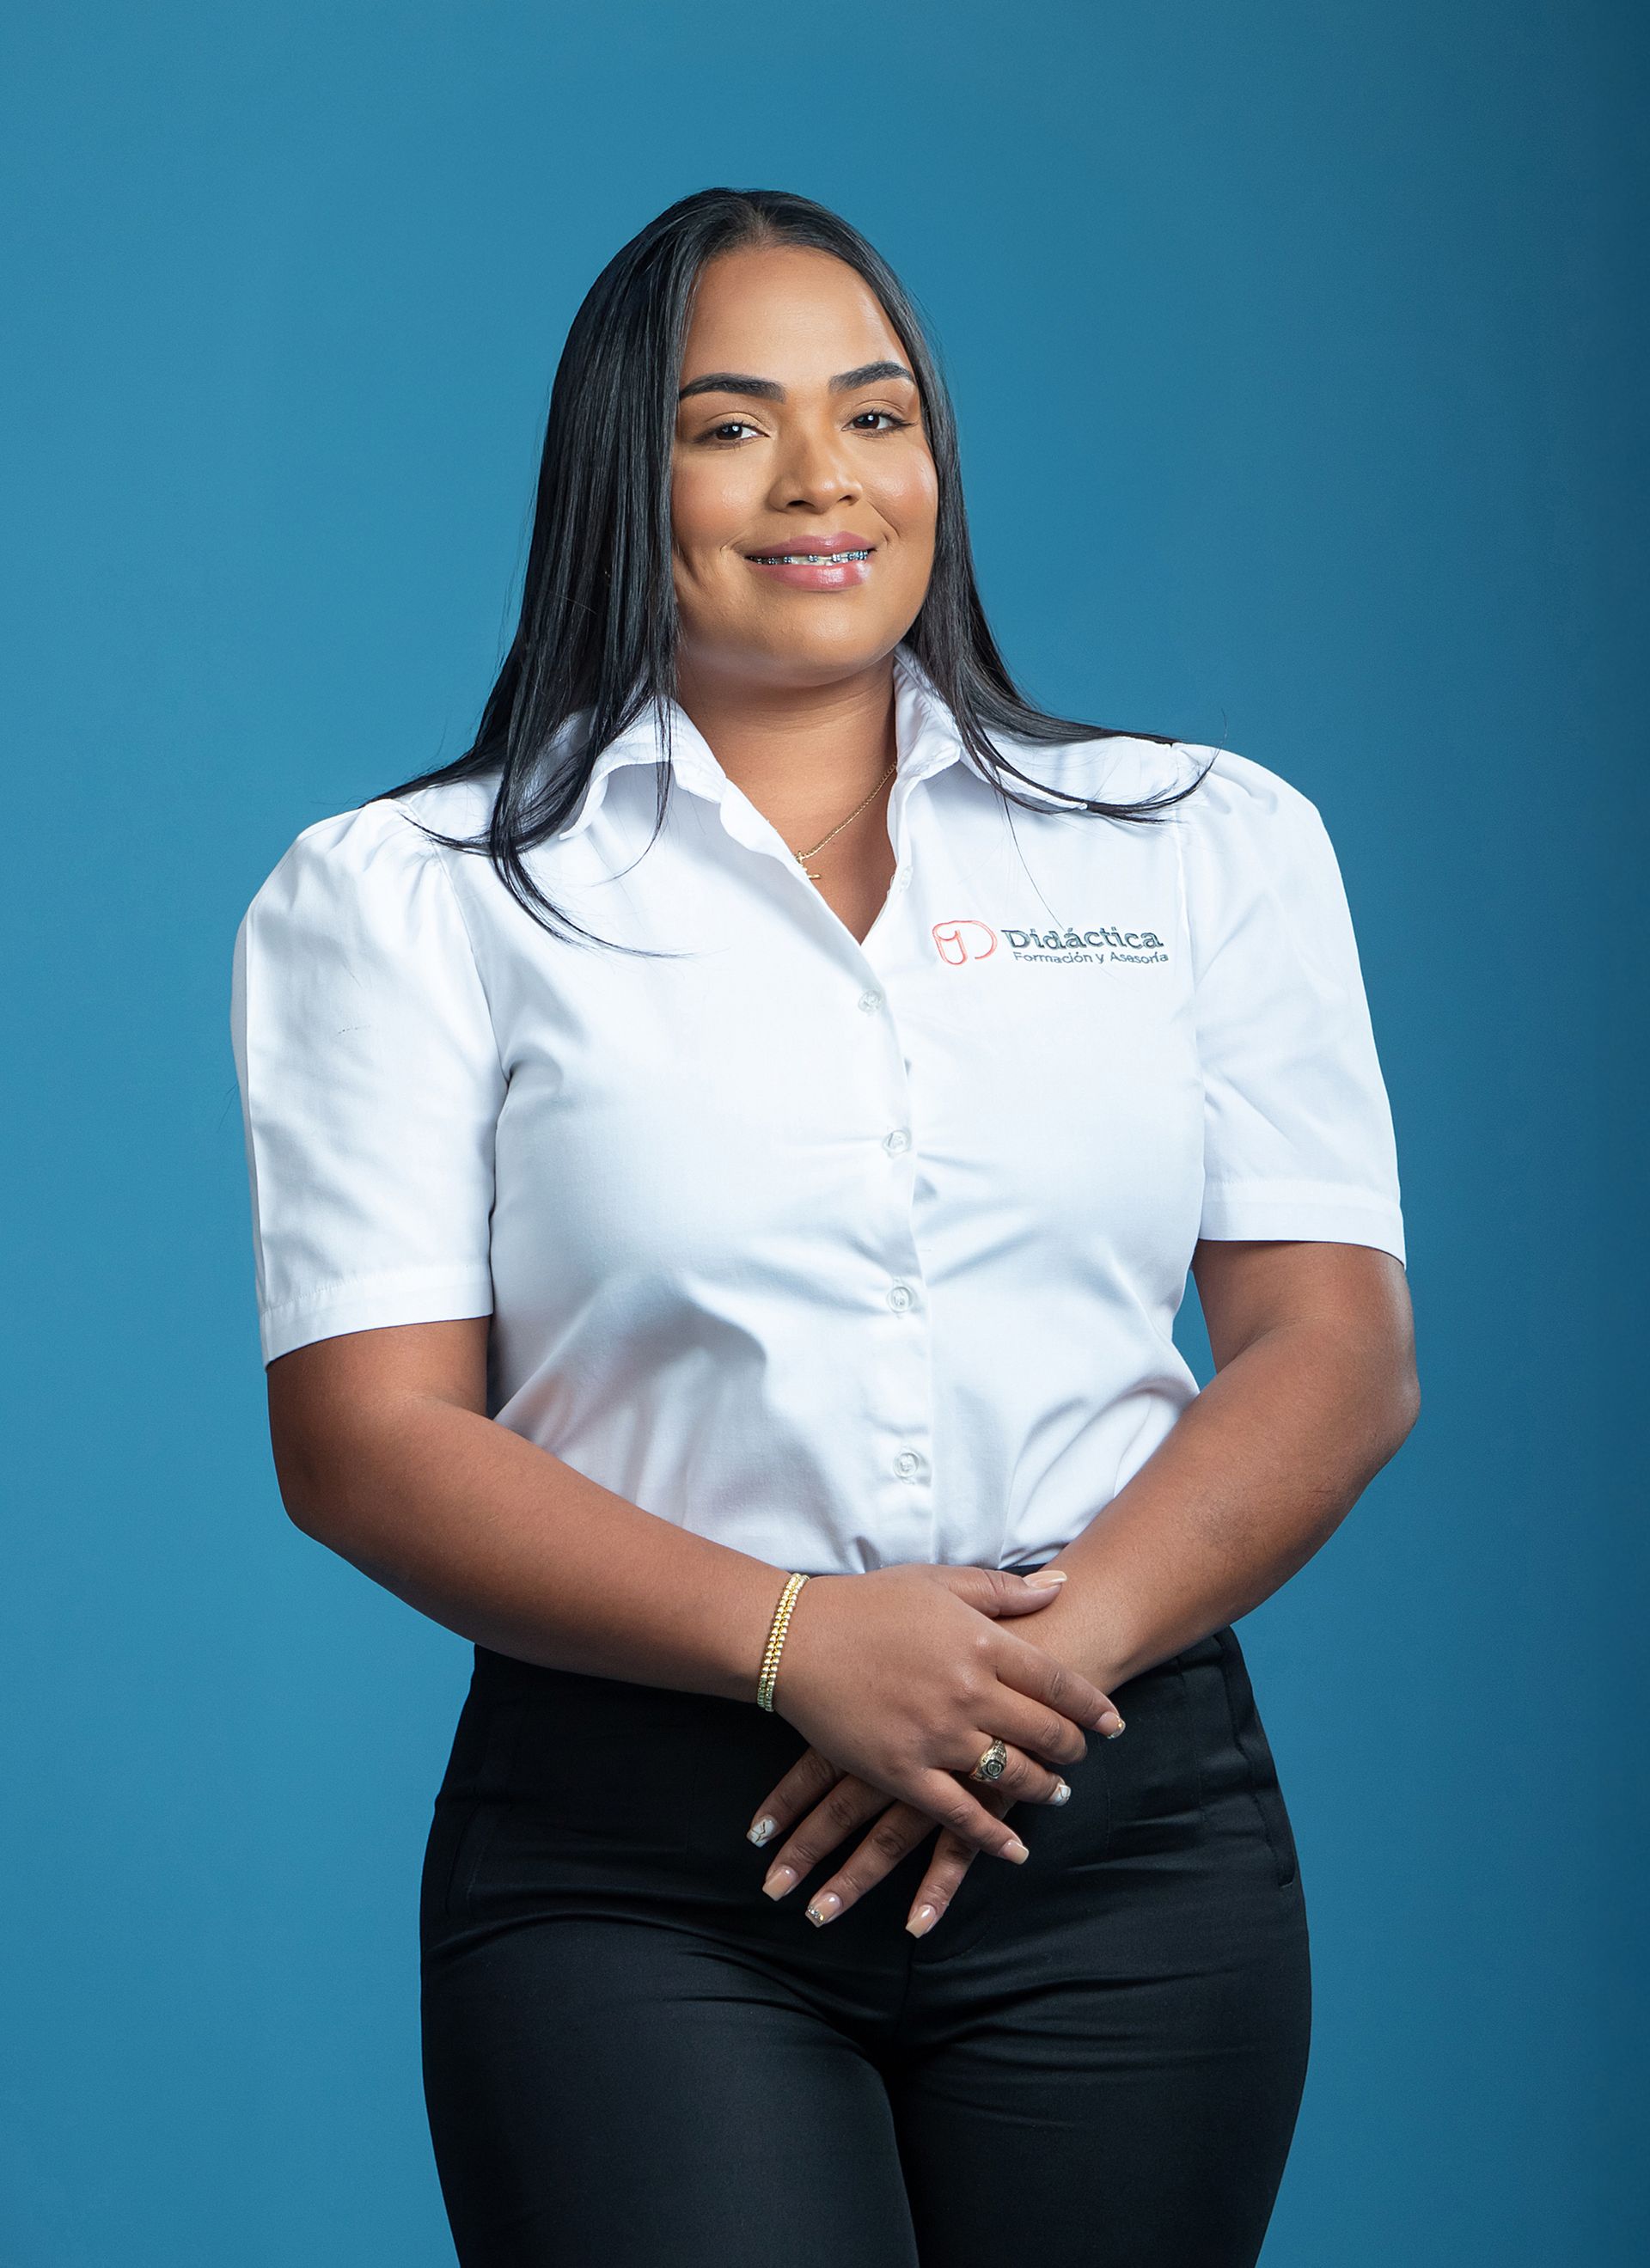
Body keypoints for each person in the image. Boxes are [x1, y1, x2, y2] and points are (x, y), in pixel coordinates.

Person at [229, 186, 1418, 2268]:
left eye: (875, 417)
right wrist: (800, 1647)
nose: (819, 484)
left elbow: (1335, 1349)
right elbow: (366, 1439)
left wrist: (1017, 1670)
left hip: (1125, 1824)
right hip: (643, 1865)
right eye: (728, 426)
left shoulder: (1202, 845)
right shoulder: (407, 894)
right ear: (623, 475)